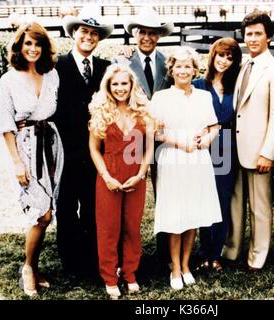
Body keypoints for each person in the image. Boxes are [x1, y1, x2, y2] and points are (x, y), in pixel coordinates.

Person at [0, 22, 63, 296]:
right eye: (28, 44)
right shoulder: (9, 80)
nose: (32, 49)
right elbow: (4, 123)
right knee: (41, 213)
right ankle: (28, 269)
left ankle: (34, 266)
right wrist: (16, 161)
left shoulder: (52, 75)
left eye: (37, 44)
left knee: (49, 211)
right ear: (19, 47)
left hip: (51, 144)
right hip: (24, 147)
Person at [221, 10, 274, 271]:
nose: (252, 38)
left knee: (259, 207)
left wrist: (268, 153)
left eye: (257, 34)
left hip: (259, 151)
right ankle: (232, 250)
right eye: (248, 34)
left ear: (268, 37)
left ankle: (258, 256)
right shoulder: (241, 67)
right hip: (236, 148)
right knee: (235, 203)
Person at [149, 46, 222, 290]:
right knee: (175, 214)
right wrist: (179, 141)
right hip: (173, 158)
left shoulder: (203, 96)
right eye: (178, 66)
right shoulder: (161, 98)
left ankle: (187, 264)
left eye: (187, 66)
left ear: (194, 69)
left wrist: (207, 140)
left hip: (199, 159)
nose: (183, 70)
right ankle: (175, 268)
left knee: (193, 213)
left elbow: (214, 126)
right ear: (171, 70)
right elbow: (154, 131)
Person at [52, 5, 113, 279]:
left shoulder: (105, 68)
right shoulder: (56, 68)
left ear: (98, 39)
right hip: (65, 150)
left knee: (93, 205)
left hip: (96, 151)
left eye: (94, 33)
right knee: (66, 205)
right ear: (74, 33)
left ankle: (91, 258)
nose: (88, 37)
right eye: (84, 31)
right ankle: (70, 261)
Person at [116, 6, 175, 272]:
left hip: (163, 140)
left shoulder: (168, 62)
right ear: (135, 34)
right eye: (143, 33)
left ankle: (166, 251)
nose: (147, 38)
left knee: (166, 194)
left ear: (159, 36)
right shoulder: (123, 61)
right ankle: (125, 255)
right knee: (128, 194)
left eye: (153, 33)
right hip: (132, 140)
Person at [89, 64, 154, 299]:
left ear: (132, 85)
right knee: (108, 228)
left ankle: (130, 273)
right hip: (109, 175)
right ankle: (109, 276)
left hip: (136, 174)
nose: (119, 88)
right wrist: (106, 176)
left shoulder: (143, 112)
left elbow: (148, 149)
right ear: (108, 86)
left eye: (124, 83)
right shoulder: (101, 112)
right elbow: (94, 149)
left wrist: (141, 174)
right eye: (114, 84)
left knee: (132, 227)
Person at [192, 38, 242, 272]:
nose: (224, 61)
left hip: (228, 148)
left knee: (222, 199)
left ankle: (216, 254)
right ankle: (203, 253)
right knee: (202, 196)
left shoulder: (236, 87)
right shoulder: (198, 85)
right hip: (204, 146)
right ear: (212, 56)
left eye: (230, 58)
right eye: (221, 55)